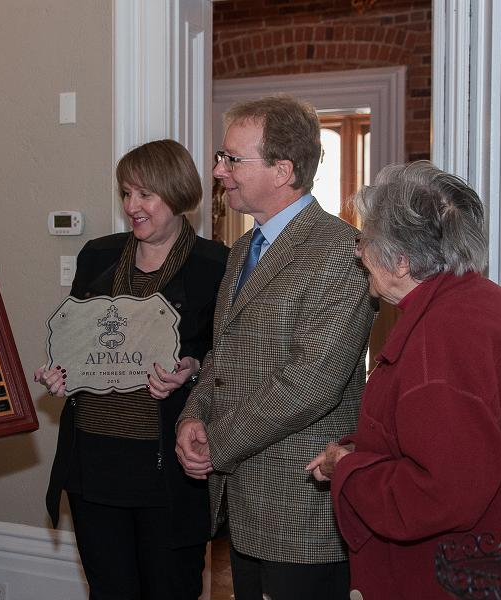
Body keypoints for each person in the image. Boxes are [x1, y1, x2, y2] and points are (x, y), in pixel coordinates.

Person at [306, 161, 501, 599]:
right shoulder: (476, 301)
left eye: (365, 240)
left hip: (453, 576)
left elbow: (441, 494)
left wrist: (346, 469)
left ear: (402, 261)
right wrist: (365, 449)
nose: (357, 253)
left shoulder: (443, 334)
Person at [175, 95, 374, 600]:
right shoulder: (245, 247)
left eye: (231, 159)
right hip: (243, 504)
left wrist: (215, 446)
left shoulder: (340, 252)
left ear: (283, 170)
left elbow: (310, 384)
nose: (218, 171)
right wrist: (192, 418)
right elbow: (222, 353)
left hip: (299, 510)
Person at [37, 139, 229, 599]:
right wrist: (61, 372)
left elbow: (228, 358)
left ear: (178, 193)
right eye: (126, 193)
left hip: (165, 469)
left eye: (146, 195)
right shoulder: (97, 256)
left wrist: (193, 368)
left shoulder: (216, 265)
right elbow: (78, 337)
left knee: (171, 590)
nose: (132, 207)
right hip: (93, 464)